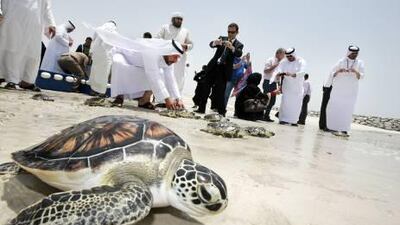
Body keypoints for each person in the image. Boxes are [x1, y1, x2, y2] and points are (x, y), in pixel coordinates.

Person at [93, 28, 185, 110]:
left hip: (141, 65)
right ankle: (119, 97)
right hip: (124, 56)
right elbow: (153, 75)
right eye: (175, 56)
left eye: (178, 57)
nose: (176, 60)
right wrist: (167, 99)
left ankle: (144, 101)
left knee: (160, 73)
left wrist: (178, 98)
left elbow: (171, 79)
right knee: (119, 63)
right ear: (168, 51)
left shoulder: (170, 59)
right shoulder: (152, 51)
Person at [0, 0, 56, 91]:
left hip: (34, 22)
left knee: (33, 52)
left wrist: (50, 23)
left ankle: (28, 80)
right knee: (13, 48)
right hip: (13, 17)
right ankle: (11, 80)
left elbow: (46, 6)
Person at [196, 23, 244, 116]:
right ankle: (201, 108)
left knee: (220, 92)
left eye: (232, 32)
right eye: (228, 31)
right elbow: (211, 44)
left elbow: (239, 53)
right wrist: (215, 42)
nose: (230, 34)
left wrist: (232, 47)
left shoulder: (239, 44)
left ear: (237, 32)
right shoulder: (222, 38)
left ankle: (221, 113)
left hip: (224, 70)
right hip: (213, 66)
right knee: (205, 87)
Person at [326, 45, 365, 137]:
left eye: (356, 53)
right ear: (348, 52)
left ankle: (344, 130)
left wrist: (355, 71)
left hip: (351, 91)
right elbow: (332, 73)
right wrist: (339, 70)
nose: (354, 55)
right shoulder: (341, 61)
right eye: (353, 53)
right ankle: (333, 128)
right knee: (335, 107)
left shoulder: (360, 62)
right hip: (338, 90)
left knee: (347, 110)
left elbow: (362, 76)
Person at [156, 12, 193, 95]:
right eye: (178, 19)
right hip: (166, 57)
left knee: (179, 79)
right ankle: (164, 100)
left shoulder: (185, 31)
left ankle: (176, 99)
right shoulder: (165, 27)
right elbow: (157, 38)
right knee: (164, 77)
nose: (179, 21)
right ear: (173, 19)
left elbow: (191, 44)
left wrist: (186, 46)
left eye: (181, 19)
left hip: (180, 59)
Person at [274, 48, 307, 126]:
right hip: (287, 86)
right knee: (285, 103)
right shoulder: (284, 62)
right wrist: (279, 74)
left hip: (297, 88)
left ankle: (293, 121)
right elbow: (278, 70)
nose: (289, 58)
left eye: (290, 56)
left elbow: (302, 72)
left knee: (296, 105)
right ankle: (283, 120)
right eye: (287, 56)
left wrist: (292, 74)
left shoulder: (301, 61)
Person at [89, 21, 118, 95]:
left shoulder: (98, 29)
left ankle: (93, 91)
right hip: (106, 55)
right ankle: (101, 92)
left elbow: (93, 40)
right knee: (104, 74)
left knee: (95, 72)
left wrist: (91, 51)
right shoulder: (114, 33)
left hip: (96, 54)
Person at [262, 48, 286, 122]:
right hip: (267, 82)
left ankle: (266, 116)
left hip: (274, 84)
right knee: (265, 100)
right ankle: (260, 114)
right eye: (283, 55)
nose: (284, 57)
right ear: (278, 53)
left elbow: (278, 76)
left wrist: (279, 86)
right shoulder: (270, 60)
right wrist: (275, 65)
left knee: (272, 101)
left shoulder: (282, 64)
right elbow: (265, 71)